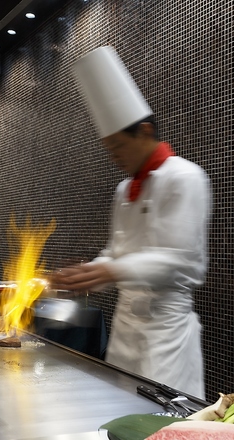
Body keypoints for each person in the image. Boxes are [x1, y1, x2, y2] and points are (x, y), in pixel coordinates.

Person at [53, 46, 211, 399]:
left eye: (118, 147)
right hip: (125, 328)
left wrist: (109, 271)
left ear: (144, 131)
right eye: (108, 150)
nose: (114, 157)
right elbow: (117, 251)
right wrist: (88, 273)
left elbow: (179, 260)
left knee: (163, 417)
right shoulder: (125, 189)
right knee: (118, 410)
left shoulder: (186, 177)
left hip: (165, 331)